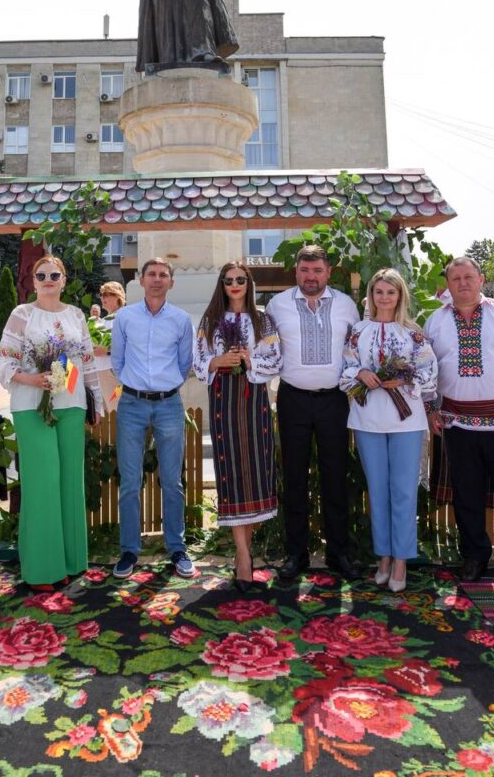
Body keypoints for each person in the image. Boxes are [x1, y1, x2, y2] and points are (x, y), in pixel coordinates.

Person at [0, 255, 103, 591]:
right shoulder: (21, 315)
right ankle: (43, 568)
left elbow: (85, 363)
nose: (47, 279)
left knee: (70, 481)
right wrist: (32, 379)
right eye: (40, 274)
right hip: (31, 405)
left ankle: (71, 561)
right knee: (42, 483)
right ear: (33, 279)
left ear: (64, 279)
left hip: (71, 403)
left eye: (54, 274)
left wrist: (95, 401)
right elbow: (3, 361)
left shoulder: (76, 315)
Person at [424, 257, 494, 591]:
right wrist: (430, 407)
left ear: (481, 279)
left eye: (468, 276)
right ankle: (475, 557)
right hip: (458, 423)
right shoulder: (435, 321)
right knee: (466, 493)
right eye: (455, 278)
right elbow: (425, 367)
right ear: (448, 283)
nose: (462, 283)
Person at [266, 245, 361, 581]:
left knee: (335, 476)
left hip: (334, 401)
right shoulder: (277, 306)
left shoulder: (347, 305)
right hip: (293, 399)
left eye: (317, 271)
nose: (311, 277)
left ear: (328, 272)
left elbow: (356, 347)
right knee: (294, 478)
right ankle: (296, 554)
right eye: (305, 271)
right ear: (296, 272)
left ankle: (339, 553)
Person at [340, 269, 438, 592]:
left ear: (400, 296)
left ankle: (401, 560)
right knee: (377, 489)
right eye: (379, 291)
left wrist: (406, 379)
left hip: (406, 422)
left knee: (404, 490)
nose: (384, 298)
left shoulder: (414, 333)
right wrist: (362, 373)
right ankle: (383, 555)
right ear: (371, 295)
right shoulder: (358, 331)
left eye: (390, 292)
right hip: (368, 419)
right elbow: (345, 370)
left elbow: (429, 373)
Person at [193, 262, 281, 590]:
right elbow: (198, 360)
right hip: (223, 398)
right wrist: (217, 361)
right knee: (230, 470)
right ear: (222, 284)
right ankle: (243, 557)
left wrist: (249, 360)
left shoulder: (263, 318)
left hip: (253, 397)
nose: (234, 284)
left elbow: (276, 359)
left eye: (240, 279)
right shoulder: (210, 319)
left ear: (249, 282)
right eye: (228, 280)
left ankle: (247, 549)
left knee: (255, 470)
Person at [110, 258, 194, 578]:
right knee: (130, 482)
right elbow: (117, 361)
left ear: (171, 282)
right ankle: (130, 551)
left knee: (172, 481)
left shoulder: (181, 320)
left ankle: (177, 548)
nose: (157, 280)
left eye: (163, 275)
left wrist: (162, 387)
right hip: (131, 404)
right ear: (140, 280)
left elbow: (185, 363)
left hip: (169, 404)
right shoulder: (125, 317)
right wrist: (138, 387)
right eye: (152, 275)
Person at [93, 281, 127, 412]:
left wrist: (106, 351)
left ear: (118, 296)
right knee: (109, 414)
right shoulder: (106, 319)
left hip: (113, 371)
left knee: (116, 411)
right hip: (102, 371)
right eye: (101, 295)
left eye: (106, 294)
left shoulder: (124, 317)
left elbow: (130, 345)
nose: (102, 298)